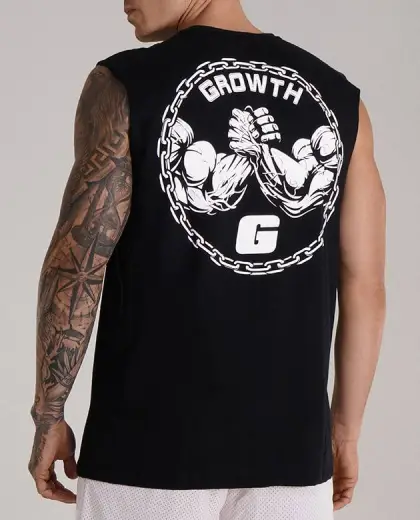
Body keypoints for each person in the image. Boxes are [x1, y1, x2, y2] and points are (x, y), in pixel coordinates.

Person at [28, 0, 386, 519]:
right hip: (291, 458)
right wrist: (345, 433)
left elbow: (77, 262)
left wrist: (49, 412)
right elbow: (364, 286)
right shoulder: (341, 100)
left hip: (145, 455)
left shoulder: (123, 84)